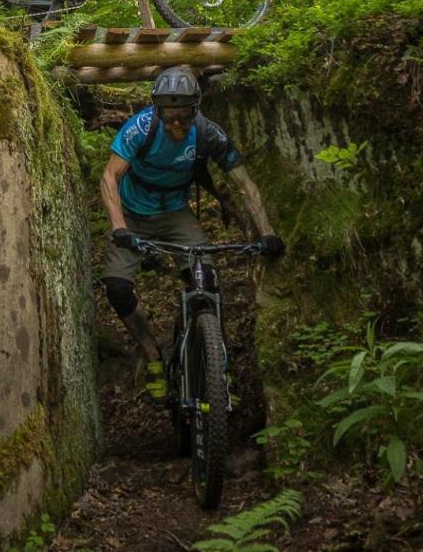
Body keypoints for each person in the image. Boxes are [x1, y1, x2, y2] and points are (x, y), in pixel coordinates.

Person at [99, 66, 284, 400]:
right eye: (170, 117)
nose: (177, 125)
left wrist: (267, 232)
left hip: (175, 212)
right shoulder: (141, 127)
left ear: (195, 111)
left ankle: (215, 362)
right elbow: (109, 176)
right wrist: (119, 227)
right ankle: (152, 353)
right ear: (158, 110)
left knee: (206, 280)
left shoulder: (207, 132)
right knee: (117, 288)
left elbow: (244, 184)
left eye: (184, 117)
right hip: (133, 212)